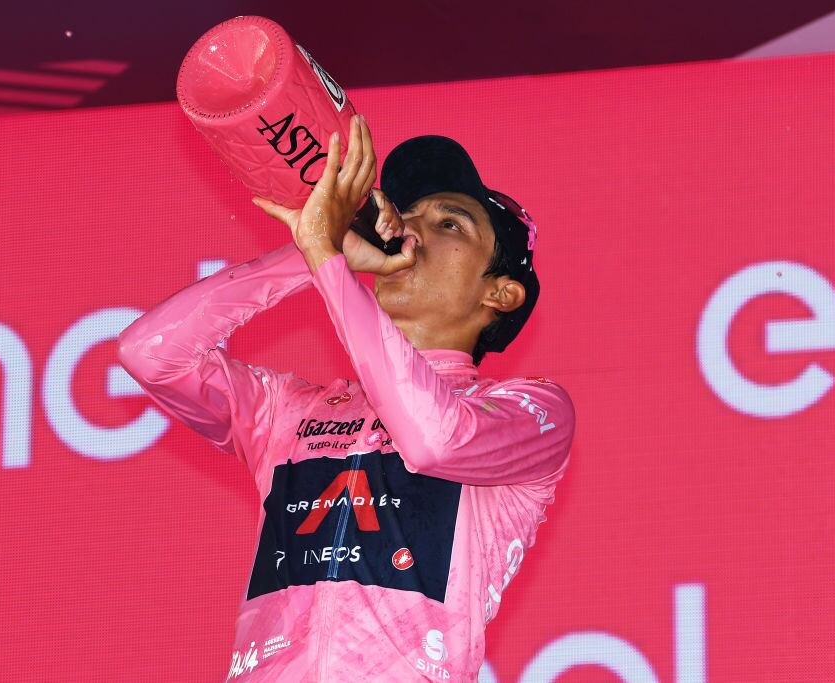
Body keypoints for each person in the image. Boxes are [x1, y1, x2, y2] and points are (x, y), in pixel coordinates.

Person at [117, 114, 575, 682]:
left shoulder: (529, 410)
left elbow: (435, 441)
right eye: (407, 216)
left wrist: (324, 258)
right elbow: (151, 354)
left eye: (450, 224)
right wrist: (312, 257)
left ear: (500, 293)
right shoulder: (289, 409)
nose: (411, 230)